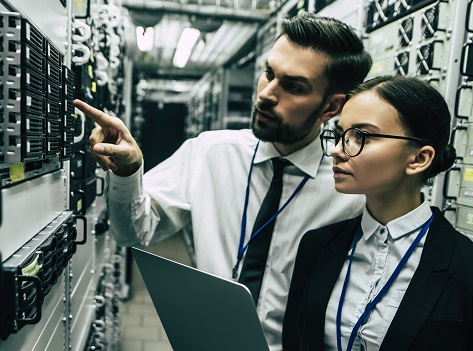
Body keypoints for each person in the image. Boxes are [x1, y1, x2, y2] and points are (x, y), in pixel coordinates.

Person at [73, 13, 372, 351]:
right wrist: (128, 173)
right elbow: (132, 232)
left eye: (293, 86)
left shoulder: (351, 191)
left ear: (331, 107)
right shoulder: (210, 153)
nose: (266, 94)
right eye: (268, 74)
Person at [282, 75, 473, 351]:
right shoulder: (317, 246)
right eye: (340, 135)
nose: (337, 151)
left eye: (360, 136)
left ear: (419, 159)